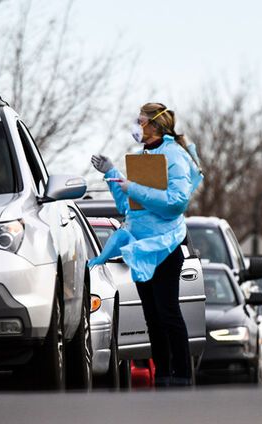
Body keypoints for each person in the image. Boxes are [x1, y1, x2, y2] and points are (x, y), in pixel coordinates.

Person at [90, 103, 203, 387]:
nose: (136, 126)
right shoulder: (144, 157)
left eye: (140, 121)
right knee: (152, 317)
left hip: (164, 248)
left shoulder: (174, 156)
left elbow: (176, 203)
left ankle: (182, 375)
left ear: (154, 125)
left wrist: (134, 187)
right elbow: (128, 206)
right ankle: (163, 375)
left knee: (168, 312)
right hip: (141, 248)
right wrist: (112, 175)